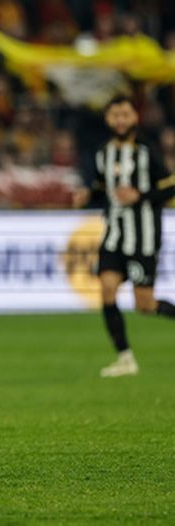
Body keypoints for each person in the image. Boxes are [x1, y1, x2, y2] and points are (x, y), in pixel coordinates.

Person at [74, 95, 175, 377]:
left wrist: (140, 195)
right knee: (107, 289)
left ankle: (127, 355)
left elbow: (170, 187)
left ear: (135, 118)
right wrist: (87, 195)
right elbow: (100, 186)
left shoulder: (146, 151)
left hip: (142, 237)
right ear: (108, 119)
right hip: (114, 235)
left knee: (145, 304)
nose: (120, 120)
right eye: (115, 115)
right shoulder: (102, 152)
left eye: (125, 115)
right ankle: (125, 357)